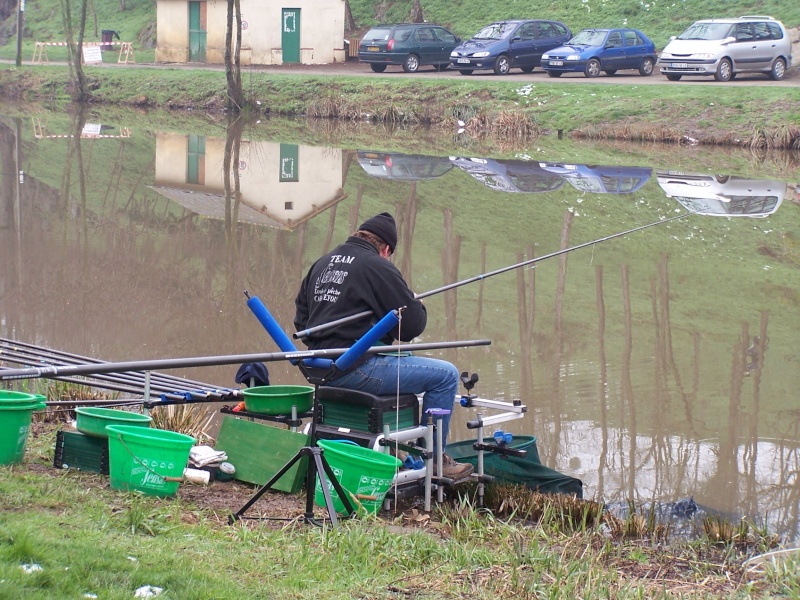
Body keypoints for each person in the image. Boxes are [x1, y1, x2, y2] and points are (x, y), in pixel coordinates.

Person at [294, 212, 473, 480]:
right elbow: (412, 326)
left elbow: (302, 323)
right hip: (354, 369)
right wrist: (416, 302)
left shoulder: (323, 264)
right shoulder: (377, 266)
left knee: (408, 356)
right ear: (386, 249)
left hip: (321, 368)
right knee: (446, 375)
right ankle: (435, 459)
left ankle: (407, 450)